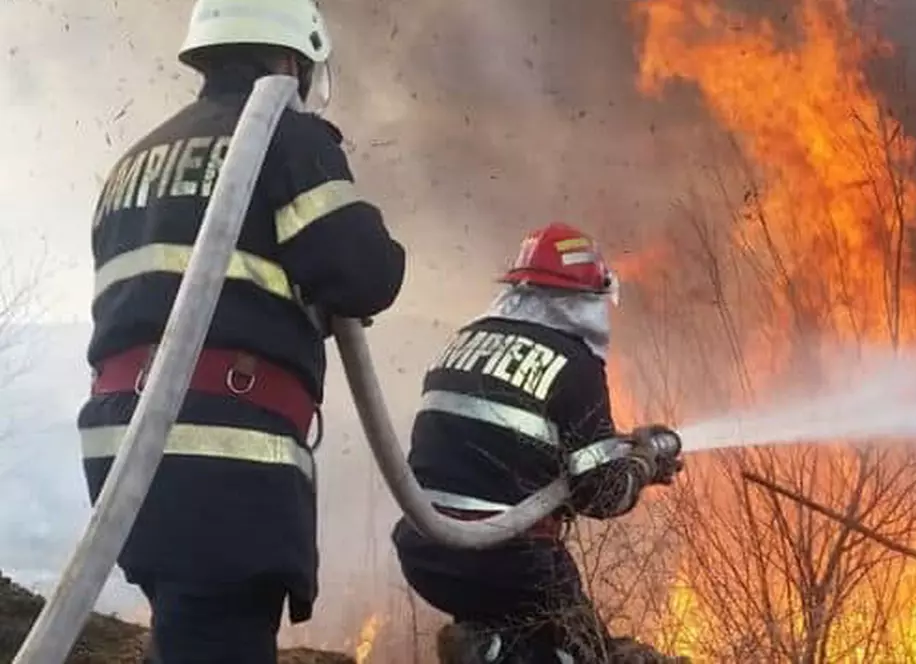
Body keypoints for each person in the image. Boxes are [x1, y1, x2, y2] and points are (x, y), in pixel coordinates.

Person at [80, 0, 406, 661]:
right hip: (220, 448)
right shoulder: (286, 138)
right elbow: (367, 274)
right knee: (218, 636)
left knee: (190, 628)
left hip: (121, 443)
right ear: (293, 57)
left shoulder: (136, 160)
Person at [393, 222, 688, 663]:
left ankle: (487, 646)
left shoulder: (463, 342)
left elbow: (508, 452)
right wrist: (645, 464)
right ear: (581, 301)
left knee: (539, 635)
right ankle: (495, 651)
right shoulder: (575, 364)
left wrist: (620, 450)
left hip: (425, 551)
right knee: (583, 654)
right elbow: (601, 495)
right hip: (508, 561)